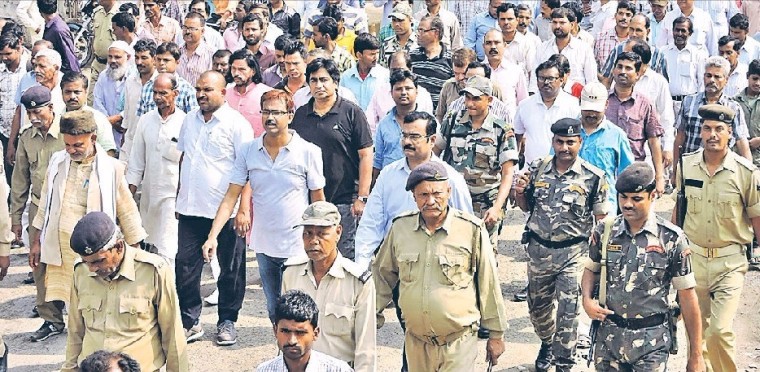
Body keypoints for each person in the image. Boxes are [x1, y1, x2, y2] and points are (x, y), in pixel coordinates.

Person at [203, 89, 325, 324]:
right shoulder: (249, 151)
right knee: (273, 310)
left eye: (277, 112)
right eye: (266, 112)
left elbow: (318, 201)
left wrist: (320, 240)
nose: (270, 118)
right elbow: (231, 197)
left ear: (290, 115)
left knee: (300, 312)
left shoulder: (308, 151)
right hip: (264, 245)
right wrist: (212, 236)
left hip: (297, 246)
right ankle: (282, 357)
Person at [373, 161, 508, 372]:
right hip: (416, 342)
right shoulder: (400, 228)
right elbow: (381, 276)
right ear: (414, 197)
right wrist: (370, 315)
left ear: (449, 192)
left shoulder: (470, 230)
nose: (431, 201)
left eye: (437, 193)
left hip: (458, 343)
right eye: (423, 195)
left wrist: (496, 335)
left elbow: (488, 284)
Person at [28, 109, 147, 343]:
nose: (71, 150)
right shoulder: (57, 162)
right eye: (68, 145)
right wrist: (36, 241)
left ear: (93, 138)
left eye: (77, 145)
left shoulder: (111, 168)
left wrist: (137, 250)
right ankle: (74, 348)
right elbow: (45, 204)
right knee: (71, 303)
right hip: (61, 249)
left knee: (93, 305)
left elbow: (126, 209)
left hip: (93, 254)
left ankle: (94, 350)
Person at [582, 162, 705, 372]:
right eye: (623, 197)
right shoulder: (605, 231)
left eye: (636, 199)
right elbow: (591, 269)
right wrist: (586, 300)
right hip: (608, 339)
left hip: (652, 342)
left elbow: (687, 296)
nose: (628, 204)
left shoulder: (671, 239)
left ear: (652, 196)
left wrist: (696, 355)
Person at [512, 118, 608, 372]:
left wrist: (600, 262)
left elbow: (601, 222)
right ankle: (547, 342)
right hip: (539, 252)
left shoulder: (593, 177)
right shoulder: (538, 169)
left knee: (569, 312)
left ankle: (564, 362)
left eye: (570, 142)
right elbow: (526, 207)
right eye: (560, 142)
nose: (564, 147)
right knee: (538, 310)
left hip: (573, 254)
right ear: (553, 142)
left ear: (580, 142)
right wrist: (519, 192)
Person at [676, 104, 760, 372]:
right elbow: (679, 213)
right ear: (700, 132)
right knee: (696, 337)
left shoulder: (746, 172)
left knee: (719, 332)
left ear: (730, 134)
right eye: (707, 128)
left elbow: (756, 217)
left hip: (730, 262)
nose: (713, 134)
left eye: (719, 129)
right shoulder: (686, 165)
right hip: (694, 260)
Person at [175, 71, 253, 346]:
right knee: (185, 266)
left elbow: (247, 171)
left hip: (227, 212)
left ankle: (227, 320)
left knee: (231, 269)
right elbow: (184, 157)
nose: (200, 94)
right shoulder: (189, 120)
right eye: (198, 89)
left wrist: (244, 209)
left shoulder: (237, 124)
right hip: (190, 208)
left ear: (223, 92)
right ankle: (189, 320)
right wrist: (178, 195)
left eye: (207, 89)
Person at [62, 212, 187, 372]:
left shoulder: (153, 270)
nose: (92, 269)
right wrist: (69, 368)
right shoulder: (81, 271)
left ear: (119, 247)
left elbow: (172, 331)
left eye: (99, 261)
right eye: (87, 262)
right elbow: (75, 329)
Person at [356, 111, 473, 269]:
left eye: (414, 137)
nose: (407, 142)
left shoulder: (450, 178)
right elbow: (371, 224)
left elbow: (465, 226)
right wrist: (362, 267)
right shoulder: (388, 176)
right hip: (395, 264)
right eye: (404, 136)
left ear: (432, 140)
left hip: (438, 266)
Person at [291, 58, 373, 261]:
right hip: (308, 201)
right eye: (313, 80)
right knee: (312, 257)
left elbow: (366, 155)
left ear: (335, 82)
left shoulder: (351, 112)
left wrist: (362, 197)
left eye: (324, 80)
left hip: (344, 200)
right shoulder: (301, 115)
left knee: (344, 258)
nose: (319, 85)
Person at [282, 201, 375, 370]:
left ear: (338, 232)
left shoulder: (358, 282)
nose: (313, 241)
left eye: (322, 233)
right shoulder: (291, 274)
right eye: (308, 233)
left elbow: (366, 348)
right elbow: (285, 333)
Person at [436, 76, 518, 250]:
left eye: (476, 98)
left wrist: (497, 207)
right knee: (453, 252)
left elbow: (507, 173)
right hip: (454, 200)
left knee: (485, 255)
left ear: (489, 100)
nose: (470, 103)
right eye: (467, 97)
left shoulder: (502, 129)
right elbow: (436, 151)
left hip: (486, 202)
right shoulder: (452, 120)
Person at [10, 86, 64, 298]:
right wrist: (15, 219)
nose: (33, 118)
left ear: (51, 108)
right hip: (38, 207)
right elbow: (20, 181)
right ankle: (49, 316)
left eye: (38, 112)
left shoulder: (66, 130)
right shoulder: (26, 137)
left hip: (65, 205)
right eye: (29, 113)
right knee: (38, 262)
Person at [126, 73, 186, 265]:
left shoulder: (186, 122)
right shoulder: (145, 121)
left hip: (173, 198)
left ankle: (171, 292)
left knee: (168, 249)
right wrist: (127, 199)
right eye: (155, 93)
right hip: (149, 198)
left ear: (175, 93)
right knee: (150, 247)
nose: (158, 98)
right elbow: (136, 164)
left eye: (163, 93)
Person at [673, 56, 752, 164]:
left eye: (717, 77)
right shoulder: (689, 102)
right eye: (708, 76)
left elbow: (741, 142)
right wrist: (675, 169)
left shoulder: (733, 107)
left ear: (726, 80)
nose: (711, 80)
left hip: (722, 169)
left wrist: (751, 173)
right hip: (691, 167)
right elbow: (680, 137)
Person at [606, 52, 665, 194]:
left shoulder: (645, 104)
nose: (622, 72)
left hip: (633, 172)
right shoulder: (602, 101)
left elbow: (653, 141)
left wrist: (659, 177)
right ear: (613, 70)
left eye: (628, 68)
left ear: (638, 75)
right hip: (605, 171)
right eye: (619, 67)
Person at [255, 289, 353, 372]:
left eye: (300, 333)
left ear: (315, 333)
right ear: (275, 331)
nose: (292, 340)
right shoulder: (264, 370)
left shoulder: (338, 370)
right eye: (285, 331)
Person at [577, 82, 635, 211]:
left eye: (596, 110)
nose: (591, 114)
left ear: (606, 105)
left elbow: (627, 175)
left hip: (605, 207)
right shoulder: (567, 132)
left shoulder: (617, 135)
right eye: (588, 109)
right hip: (571, 208)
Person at [515, 58, 581, 167]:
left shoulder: (573, 105)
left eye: (551, 78)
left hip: (564, 171)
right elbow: (517, 138)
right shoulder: (525, 105)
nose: (546, 82)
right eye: (542, 78)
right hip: (531, 170)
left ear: (561, 80)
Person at [530, 7, 597, 94]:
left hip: (575, 102)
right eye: (554, 22)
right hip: (546, 101)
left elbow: (591, 81)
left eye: (562, 23)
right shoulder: (542, 48)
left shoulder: (584, 49)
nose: (557, 26)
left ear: (572, 25)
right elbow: (534, 82)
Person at [366, 51, 434, 134]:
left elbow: (429, 126)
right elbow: (370, 125)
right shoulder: (380, 92)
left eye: (400, 70)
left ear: (410, 69)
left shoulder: (423, 95)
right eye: (393, 70)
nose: (397, 74)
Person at [59, 72, 119, 157]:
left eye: (77, 92)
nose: (72, 96)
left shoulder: (98, 119)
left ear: (86, 92)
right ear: (62, 93)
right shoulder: (56, 118)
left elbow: (109, 152)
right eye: (68, 92)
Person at [136, 42, 199, 117]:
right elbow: (141, 118)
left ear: (177, 62)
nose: (161, 63)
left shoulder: (187, 90)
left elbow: (193, 120)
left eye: (166, 60)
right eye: (159, 59)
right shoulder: (148, 86)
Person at [119, 39, 157, 163]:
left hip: (152, 145)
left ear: (154, 58)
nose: (139, 62)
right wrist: (124, 140)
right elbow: (127, 112)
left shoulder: (161, 83)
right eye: (137, 58)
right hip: (130, 142)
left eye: (144, 58)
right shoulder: (130, 81)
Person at [661, 17, 709, 118]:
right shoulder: (663, 52)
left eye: (683, 31)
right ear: (672, 31)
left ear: (690, 33)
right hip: (668, 104)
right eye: (677, 30)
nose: (679, 34)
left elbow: (701, 82)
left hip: (690, 104)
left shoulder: (698, 54)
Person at [92, 41, 136, 147]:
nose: (112, 61)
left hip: (126, 129)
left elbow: (135, 104)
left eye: (117, 57)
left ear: (128, 57)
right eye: (110, 57)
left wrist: (119, 117)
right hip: (105, 130)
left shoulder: (134, 78)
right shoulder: (103, 76)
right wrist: (108, 121)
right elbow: (97, 101)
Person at [0, 33, 28, 184]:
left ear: (18, 49)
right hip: (5, 131)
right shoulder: (1, 71)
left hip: (25, 130)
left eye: (8, 54)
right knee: (10, 174)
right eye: (1, 54)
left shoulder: (28, 71)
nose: (4, 58)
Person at [225, 49, 273, 137]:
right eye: (233, 68)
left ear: (253, 71)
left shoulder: (267, 94)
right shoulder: (225, 95)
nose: (236, 73)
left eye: (241, 69)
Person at [410, 15, 453, 110]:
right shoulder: (411, 57)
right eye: (418, 30)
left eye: (422, 30)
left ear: (436, 33)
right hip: (416, 113)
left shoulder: (451, 59)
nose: (417, 34)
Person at [482, 28, 528, 119]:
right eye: (489, 43)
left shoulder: (516, 71)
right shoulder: (478, 71)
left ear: (505, 45)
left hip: (508, 126)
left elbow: (523, 103)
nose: (493, 47)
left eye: (497, 42)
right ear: (483, 46)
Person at [340, 33, 389, 111]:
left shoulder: (385, 75)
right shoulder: (346, 77)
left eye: (377, 53)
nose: (376, 57)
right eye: (372, 54)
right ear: (359, 55)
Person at [435, 47, 477, 124]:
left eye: (464, 73)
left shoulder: (491, 88)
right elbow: (440, 115)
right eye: (456, 73)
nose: (460, 78)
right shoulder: (448, 86)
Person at [497, 2, 537, 81]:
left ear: (517, 20)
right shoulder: (493, 41)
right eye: (502, 19)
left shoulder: (527, 43)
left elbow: (531, 72)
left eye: (510, 19)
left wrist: (531, 92)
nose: (506, 22)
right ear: (498, 21)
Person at [37, 0, 79, 73]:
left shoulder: (58, 30)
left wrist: (74, 79)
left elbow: (70, 58)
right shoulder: (50, 25)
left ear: (40, 11)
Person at [90, 0, 119, 98]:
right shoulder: (97, 12)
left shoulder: (119, 14)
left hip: (112, 66)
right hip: (97, 63)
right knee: (91, 99)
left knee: (108, 100)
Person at [176, 12, 215, 87]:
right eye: (185, 28)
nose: (187, 32)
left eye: (192, 29)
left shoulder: (211, 54)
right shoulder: (177, 51)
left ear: (202, 31)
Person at [593, 1, 635, 69]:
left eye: (628, 15)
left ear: (633, 19)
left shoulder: (634, 41)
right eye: (621, 13)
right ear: (615, 16)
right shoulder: (600, 38)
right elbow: (594, 65)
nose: (624, 17)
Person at [735, 59, 760, 168]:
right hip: (738, 157)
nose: (758, 83)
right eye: (755, 79)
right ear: (747, 76)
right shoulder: (735, 101)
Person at [378, 2, 417, 68]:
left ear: (410, 20)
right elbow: (382, 69)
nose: (396, 24)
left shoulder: (419, 43)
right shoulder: (386, 44)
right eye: (394, 20)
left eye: (400, 20)